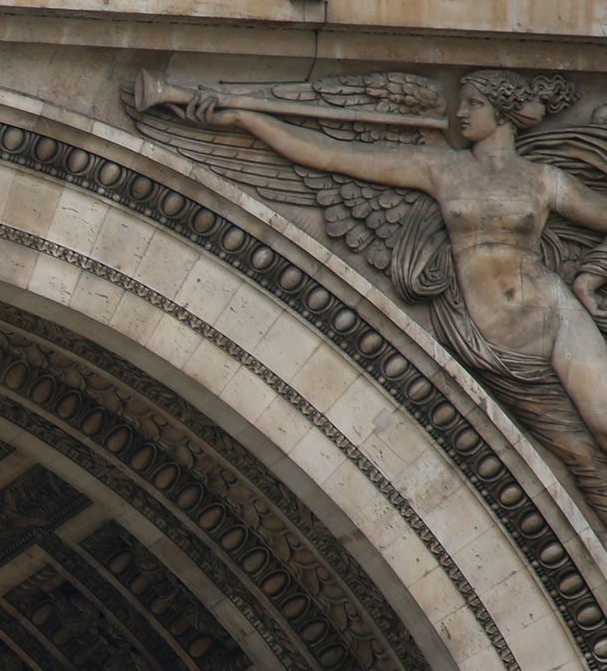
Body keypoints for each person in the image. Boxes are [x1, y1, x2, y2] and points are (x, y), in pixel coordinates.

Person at [179, 70, 607, 516]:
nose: (459, 113)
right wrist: (248, 120)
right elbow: (331, 155)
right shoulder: (442, 169)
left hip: (555, 313)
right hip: (493, 341)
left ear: (503, 113)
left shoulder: (543, 181)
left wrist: (590, 274)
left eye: (473, 104)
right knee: (580, 455)